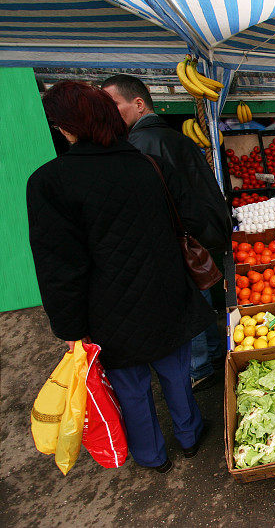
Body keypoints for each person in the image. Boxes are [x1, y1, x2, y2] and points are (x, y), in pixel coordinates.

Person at [27, 81, 214, 474]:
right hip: (166, 291)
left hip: (109, 307)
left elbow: (59, 264)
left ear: (66, 127)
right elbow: (191, 219)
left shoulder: (50, 181)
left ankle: (151, 456)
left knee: (130, 387)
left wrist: (70, 325)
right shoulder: (147, 163)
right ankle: (190, 435)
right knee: (176, 373)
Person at [101, 75, 231, 392]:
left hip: (179, 236)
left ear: (138, 103)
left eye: (113, 104)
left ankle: (200, 367)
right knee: (198, 295)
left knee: (187, 301)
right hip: (198, 230)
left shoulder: (141, 146)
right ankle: (214, 355)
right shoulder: (172, 137)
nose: (107, 112)